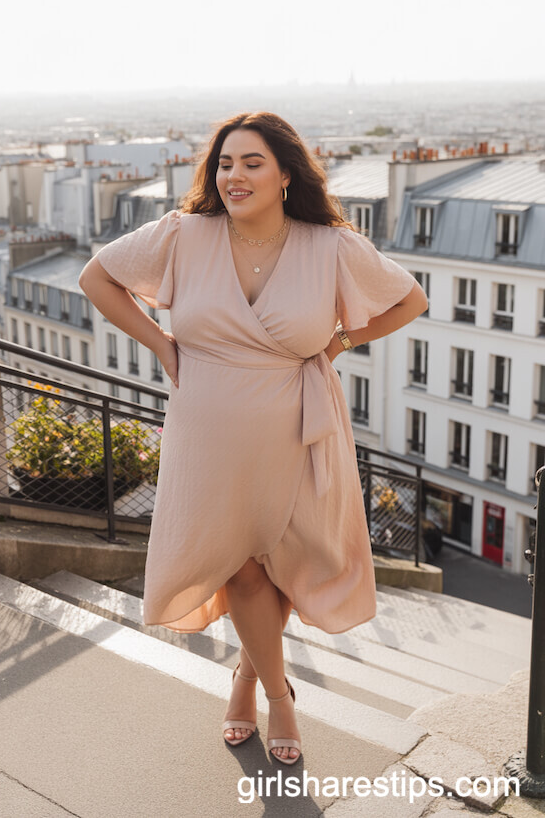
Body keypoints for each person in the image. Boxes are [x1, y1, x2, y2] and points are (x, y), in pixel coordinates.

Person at [78, 111, 428, 766]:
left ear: (286, 174)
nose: (233, 176)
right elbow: (96, 278)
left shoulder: (330, 246)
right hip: (208, 439)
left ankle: (246, 675)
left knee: (286, 562)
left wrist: (340, 341)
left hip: (297, 428)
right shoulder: (184, 234)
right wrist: (161, 343)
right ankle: (277, 694)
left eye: (251, 162)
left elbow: (409, 300)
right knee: (238, 563)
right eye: (225, 163)